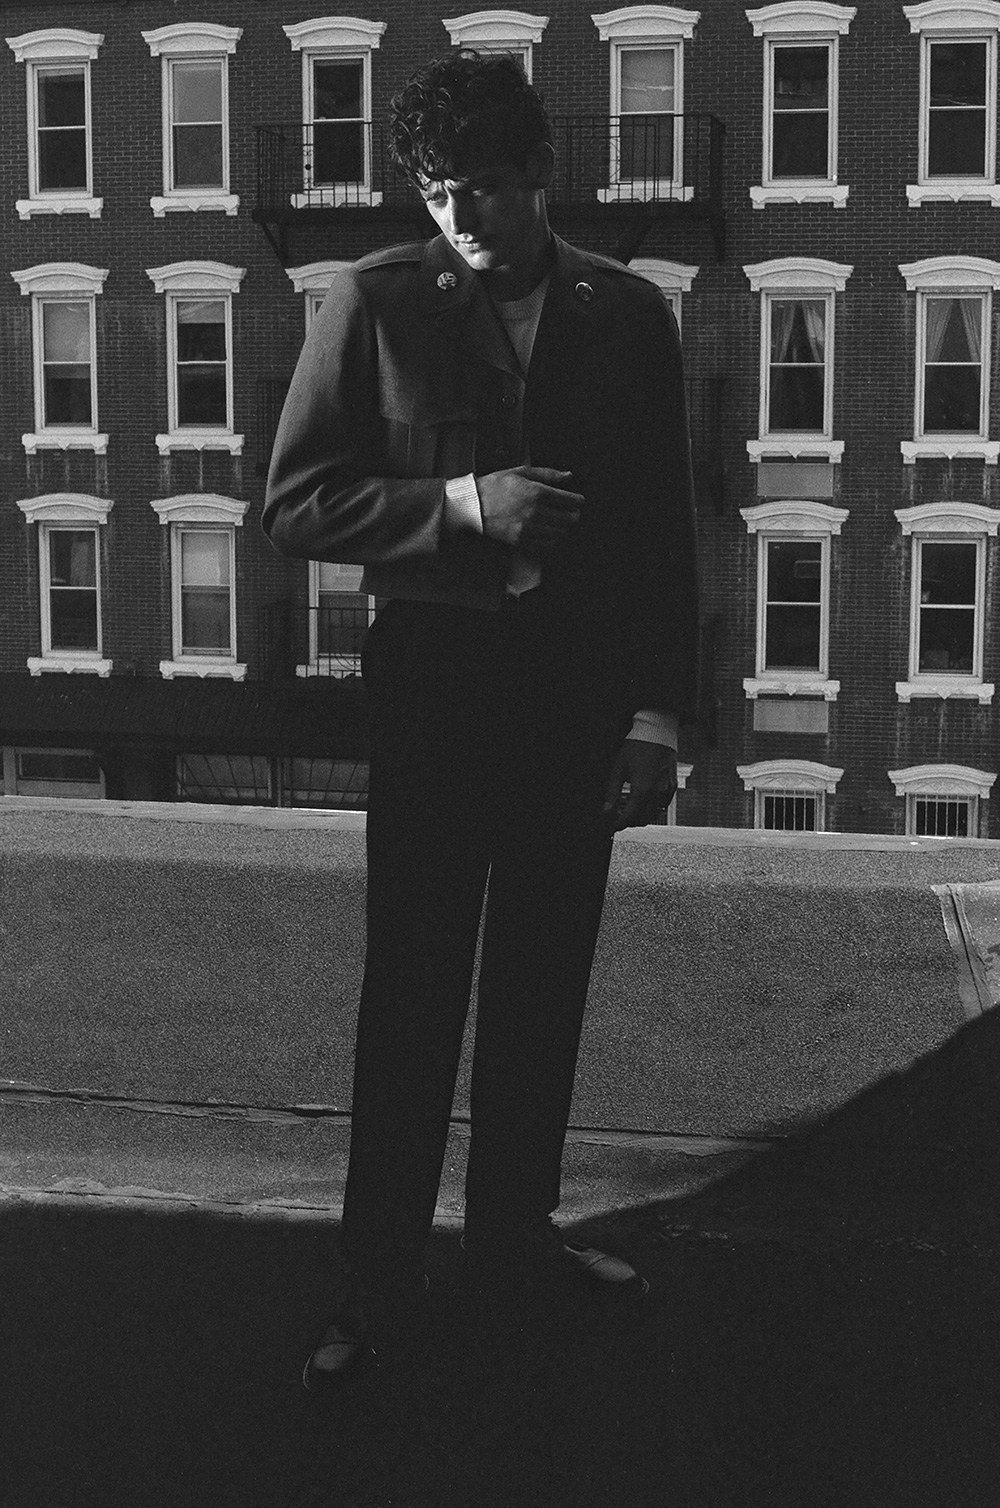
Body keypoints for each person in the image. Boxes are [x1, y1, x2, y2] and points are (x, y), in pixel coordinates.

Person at [262, 50, 700, 1389]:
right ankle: (372, 1284)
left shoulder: (627, 317)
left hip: (575, 719)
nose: (468, 219)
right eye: (443, 192)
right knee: (412, 997)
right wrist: (459, 507)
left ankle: (515, 1237)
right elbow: (294, 506)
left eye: (492, 189)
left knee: (538, 991)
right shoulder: (373, 302)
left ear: (539, 174)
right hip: (438, 711)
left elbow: (654, 540)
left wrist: (657, 723)